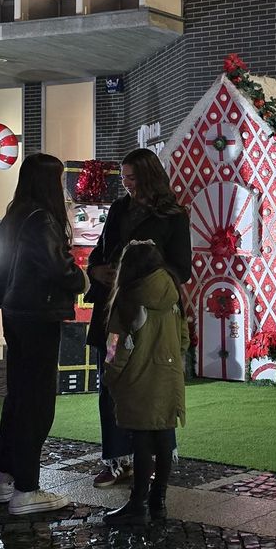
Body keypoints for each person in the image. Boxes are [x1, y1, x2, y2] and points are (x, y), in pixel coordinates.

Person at [0, 153, 88, 516]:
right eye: (58, 180)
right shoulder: (41, 218)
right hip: (38, 314)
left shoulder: (16, 214)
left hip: (15, 312)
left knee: (18, 397)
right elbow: (58, 268)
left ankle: (7, 479)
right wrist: (83, 279)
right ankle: (27, 488)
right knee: (37, 402)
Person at [85, 148, 192, 488]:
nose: (127, 185)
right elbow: (99, 250)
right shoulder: (118, 209)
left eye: (132, 178)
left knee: (155, 383)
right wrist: (96, 270)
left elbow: (182, 267)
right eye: (124, 178)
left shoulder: (173, 215)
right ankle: (116, 459)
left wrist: (144, 273)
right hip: (113, 309)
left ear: (148, 176)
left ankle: (160, 458)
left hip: (153, 314)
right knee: (111, 380)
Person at [101, 240, 188, 525]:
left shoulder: (128, 300)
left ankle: (137, 503)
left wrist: (111, 377)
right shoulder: (173, 294)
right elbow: (184, 337)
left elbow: (116, 347)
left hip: (138, 380)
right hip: (168, 377)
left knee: (140, 442)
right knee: (163, 439)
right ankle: (158, 501)